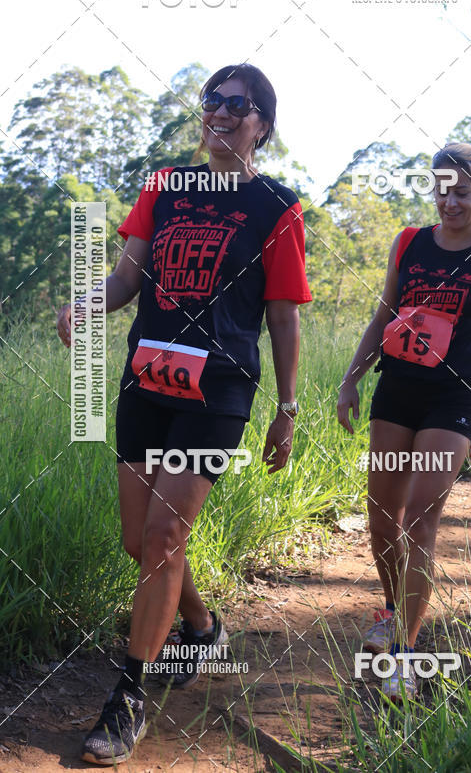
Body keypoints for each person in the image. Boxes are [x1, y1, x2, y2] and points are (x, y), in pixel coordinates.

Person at [56, 63, 312, 764]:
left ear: (262, 125)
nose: (220, 111)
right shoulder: (164, 186)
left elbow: (283, 316)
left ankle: (129, 695)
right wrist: (86, 303)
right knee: (139, 541)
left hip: (219, 390)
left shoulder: (277, 207)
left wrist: (287, 407)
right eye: (212, 100)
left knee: (166, 532)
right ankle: (202, 628)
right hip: (147, 379)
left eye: (238, 104)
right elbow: (127, 278)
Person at [337, 143, 471, 701]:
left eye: (462, 192)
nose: (450, 202)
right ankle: (390, 608)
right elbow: (385, 312)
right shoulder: (409, 242)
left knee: (420, 520)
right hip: (397, 391)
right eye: (441, 190)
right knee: (383, 521)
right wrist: (351, 379)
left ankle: (405, 654)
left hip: (452, 401)